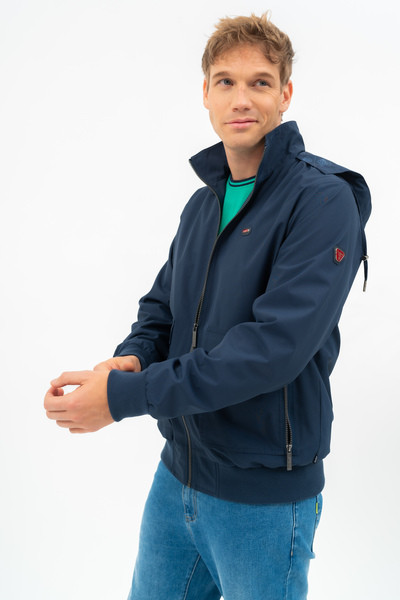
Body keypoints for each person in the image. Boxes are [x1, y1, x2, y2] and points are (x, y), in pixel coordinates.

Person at [44, 13, 371, 600]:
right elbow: (162, 310)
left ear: (285, 94)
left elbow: (269, 352)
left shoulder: (323, 202)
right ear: (205, 93)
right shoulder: (203, 205)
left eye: (260, 82)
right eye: (226, 81)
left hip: (263, 503)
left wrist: (121, 399)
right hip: (178, 477)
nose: (241, 98)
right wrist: (131, 359)